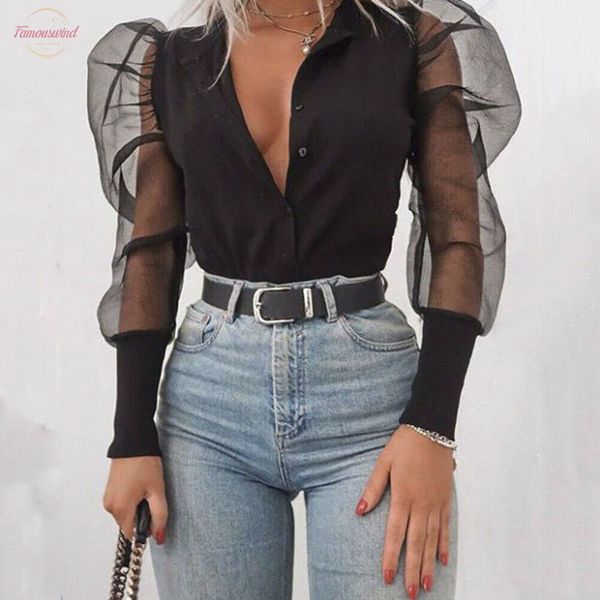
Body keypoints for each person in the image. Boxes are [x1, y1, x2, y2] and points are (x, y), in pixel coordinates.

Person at [86, 0, 521, 597]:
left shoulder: (409, 41)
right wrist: (131, 433)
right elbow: (151, 253)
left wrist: (433, 425)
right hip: (208, 413)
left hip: (371, 407)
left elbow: (456, 237)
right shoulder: (169, 62)